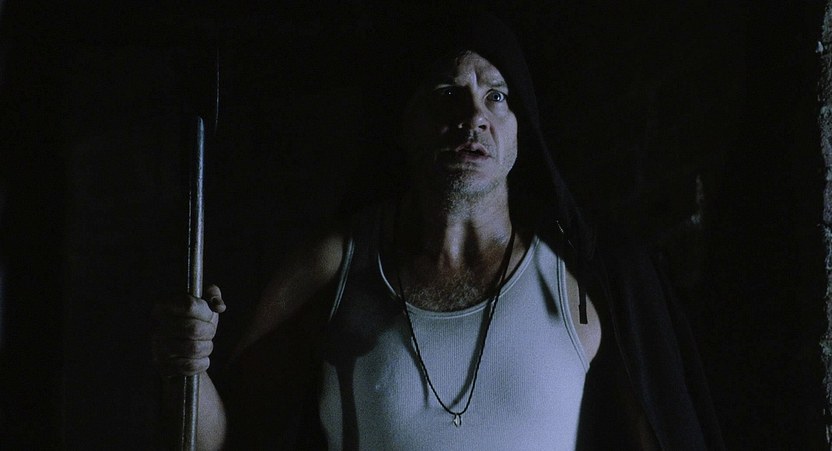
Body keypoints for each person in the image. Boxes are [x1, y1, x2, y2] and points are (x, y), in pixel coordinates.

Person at [152, 13, 724, 450]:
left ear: (519, 130)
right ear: (404, 123)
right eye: (447, 93)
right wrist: (189, 366)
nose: (473, 116)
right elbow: (223, 441)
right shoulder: (334, 266)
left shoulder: (586, 275)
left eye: (496, 96)